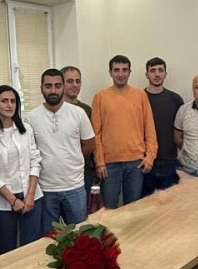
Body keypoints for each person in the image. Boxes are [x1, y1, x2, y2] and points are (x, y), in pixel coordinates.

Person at [27, 69, 95, 232]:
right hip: (46, 189)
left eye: (57, 86)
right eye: (48, 86)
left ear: (63, 87)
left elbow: (90, 145)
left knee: (80, 235)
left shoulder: (78, 113)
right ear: (41, 88)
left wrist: (71, 157)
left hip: (75, 187)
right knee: (49, 238)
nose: (53, 90)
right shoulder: (31, 118)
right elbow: (30, 153)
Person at [0, 85, 44, 253]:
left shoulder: (26, 129)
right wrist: (13, 200)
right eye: (4, 101)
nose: (9, 105)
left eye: (13, 101)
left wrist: (30, 195)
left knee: (31, 249)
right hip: (2, 201)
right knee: (8, 250)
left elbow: (35, 161)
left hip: (31, 196)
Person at [92, 55, 157, 209]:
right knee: (108, 210)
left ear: (129, 72)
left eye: (124, 70)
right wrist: (99, 161)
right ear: (110, 72)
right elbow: (96, 133)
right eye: (116, 70)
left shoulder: (140, 95)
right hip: (109, 164)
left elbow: (149, 128)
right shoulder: (100, 97)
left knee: (132, 210)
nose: (120, 74)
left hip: (136, 163)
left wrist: (150, 157)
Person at [142, 57, 184, 196]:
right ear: (147, 74)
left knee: (169, 205)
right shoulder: (139, 98)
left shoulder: (175, 99)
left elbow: (181, 131)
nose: (157, 74)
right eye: (152, 71)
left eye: (160, 70)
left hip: (169, 162)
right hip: (144, 162)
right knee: (144, 204)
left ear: (165, 74)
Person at [61, 65, 95, 196]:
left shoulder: (86, 110)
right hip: (60, 173)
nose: (74, 85)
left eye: (77, 81)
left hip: (84, 170)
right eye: (70, 81)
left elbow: (91, 142)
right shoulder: (56, 109)